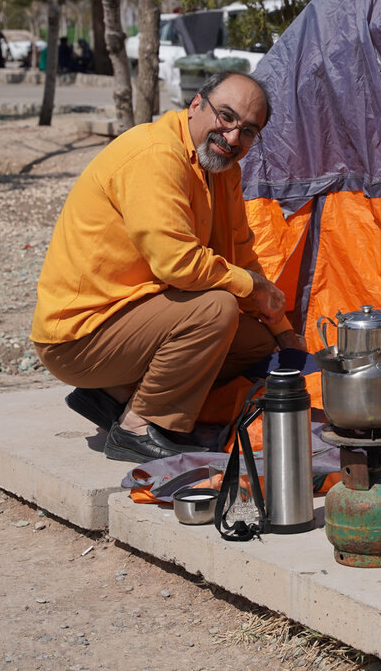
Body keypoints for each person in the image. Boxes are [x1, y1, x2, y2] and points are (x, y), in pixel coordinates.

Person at [30, 71, 304, 463]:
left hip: (134, 317)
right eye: (226, 117)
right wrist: (254, 286)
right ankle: (136, 426)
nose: (232, 138)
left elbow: (240, 256)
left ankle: (113, 395)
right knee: (216, 310)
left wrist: (284, 334)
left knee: (256, 342)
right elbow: (179, 265)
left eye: (247, 131)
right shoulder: (156, 154)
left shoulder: (222, 170)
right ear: (196, 104)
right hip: (78, 338)